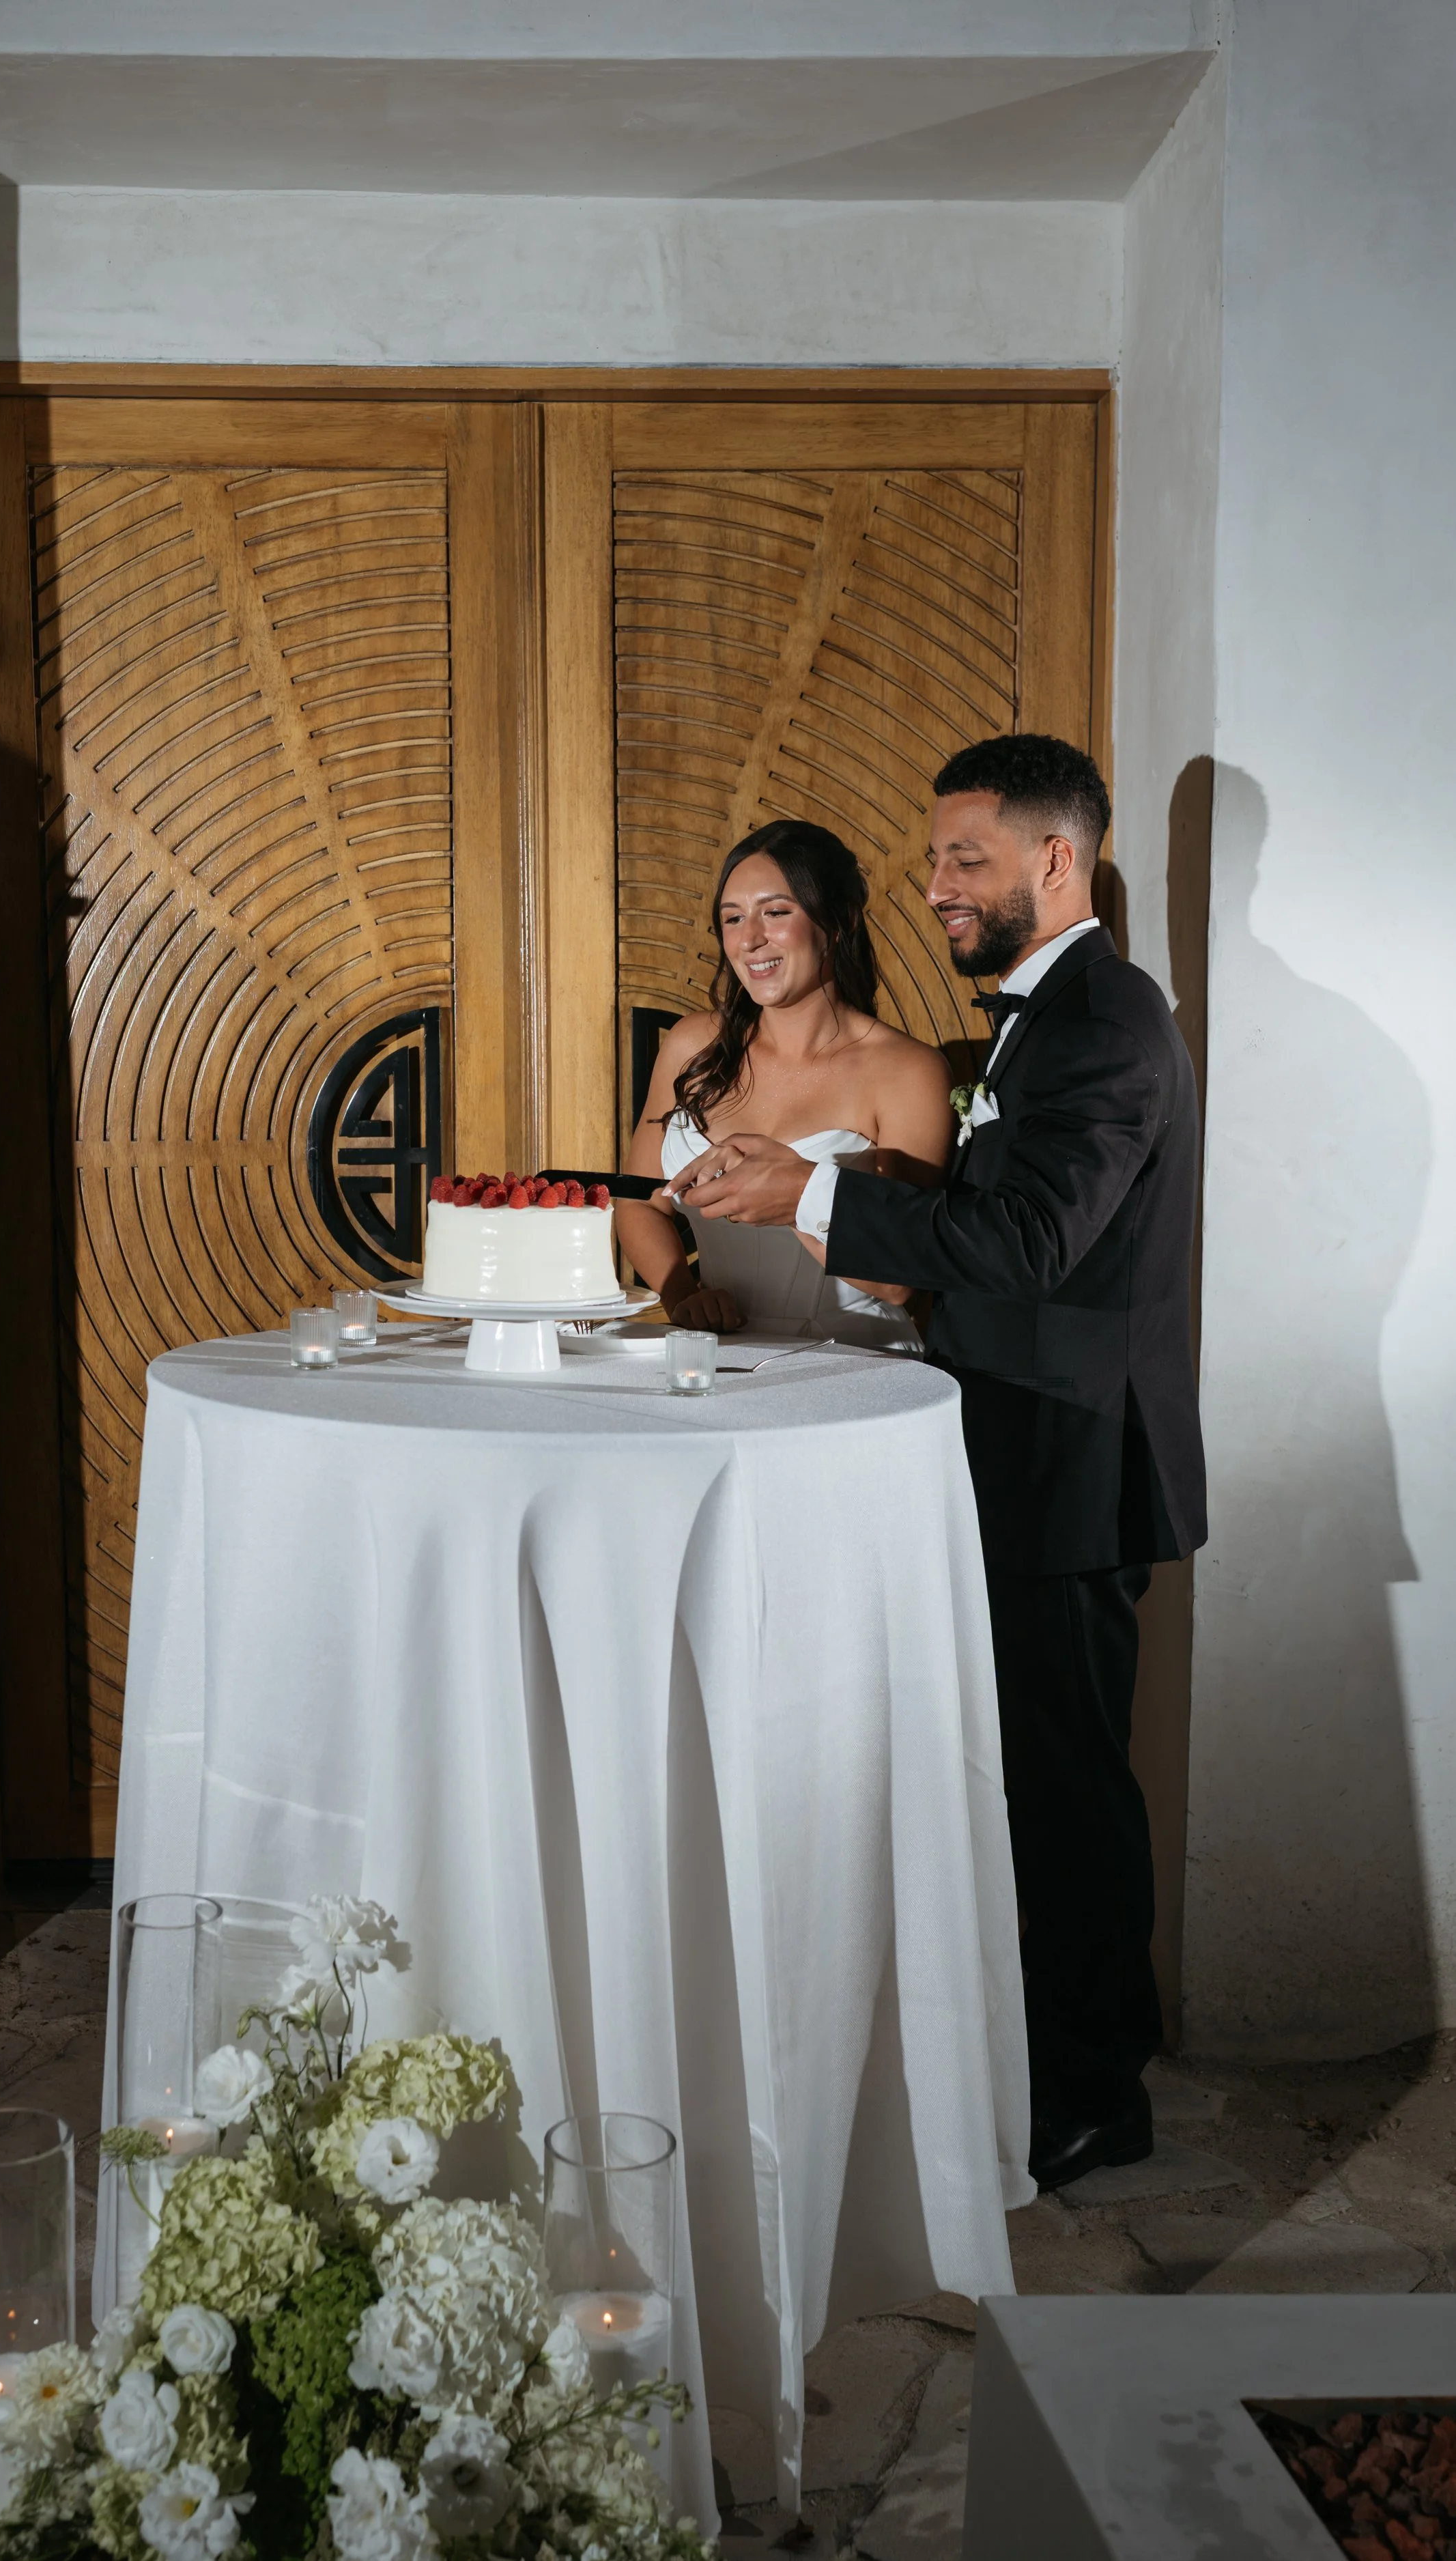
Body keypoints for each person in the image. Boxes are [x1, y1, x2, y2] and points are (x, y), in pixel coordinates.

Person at [664, 736, 1206, 2190]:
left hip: (1073, 1456)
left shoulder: (1102, 1019)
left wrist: (812, 1189)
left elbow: (1030, 1244)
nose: (933, 887)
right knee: (1032, 1780)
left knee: (1066, 1787)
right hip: (1017, 1446)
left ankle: (1094, 2093)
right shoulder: (1040, 1016)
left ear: (1054, 860)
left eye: (963, 859)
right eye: (929, 859)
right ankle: (1057, 2058)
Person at [614, 819, 954, 1343]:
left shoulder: (907, 1072)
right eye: (732, 918)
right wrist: (682, 1293)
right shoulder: (691, 1047)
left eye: (775, 912)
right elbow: (640, 1201)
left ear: (836, 921)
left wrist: (797, 1196)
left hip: (854, 1358)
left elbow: (900, 1279)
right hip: (719, 1357)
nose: (750, 939)